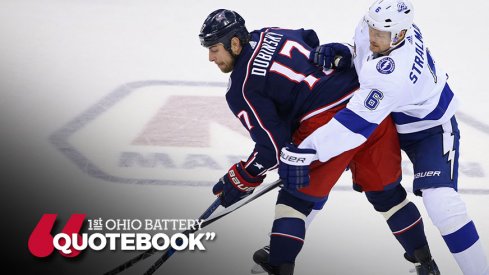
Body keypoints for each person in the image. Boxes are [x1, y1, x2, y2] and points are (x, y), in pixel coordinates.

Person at [199, 9, 439, 275]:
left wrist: (243, 177)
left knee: (294, 201)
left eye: (214, 49)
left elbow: (273, 149)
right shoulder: (270, 33)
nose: (211, 57)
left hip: (325, 122)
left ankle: (277, 266)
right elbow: (311, 40)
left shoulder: (241, 88)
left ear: (234, 43)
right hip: (366, 106)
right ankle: (425, 263)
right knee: (389, 196)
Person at [282, 0, 489, 274]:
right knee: (321, 177)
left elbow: (353, 124)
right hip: (389, 117)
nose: (373, 36)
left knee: (442, 204)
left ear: (401, 34)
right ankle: (278, 254)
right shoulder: (381, 28)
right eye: (372, 29)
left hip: (429, 127)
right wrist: (347, 52)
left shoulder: (393, 75)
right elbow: (364, 55)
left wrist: (308, 150)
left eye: (381, 34)